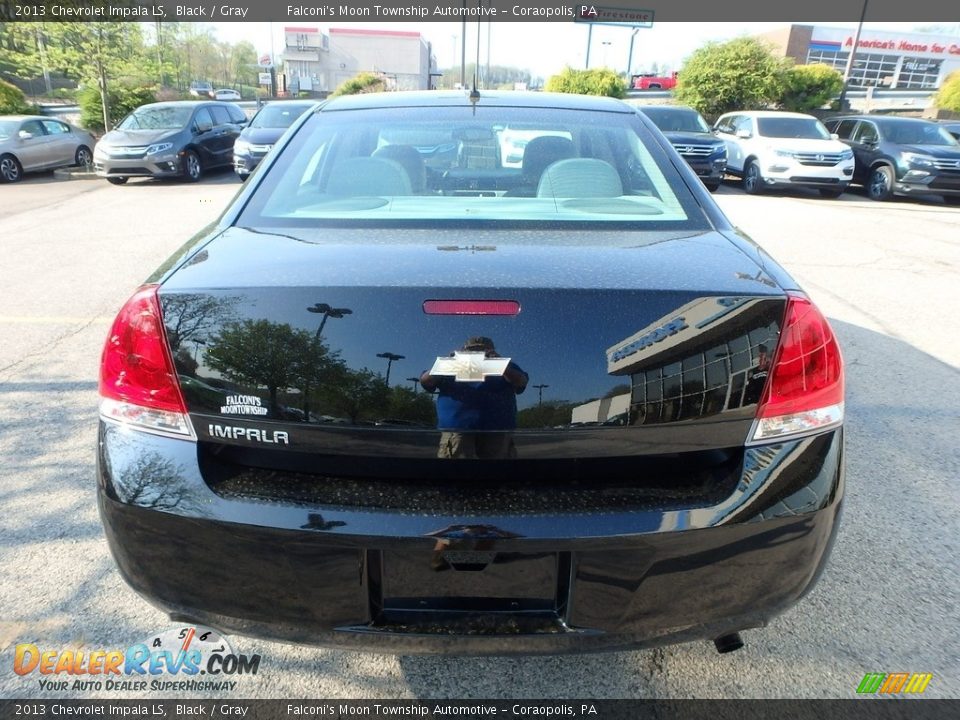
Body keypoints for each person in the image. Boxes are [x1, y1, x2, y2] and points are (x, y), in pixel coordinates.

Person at [420, 336, 528, 459]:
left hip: (497, 429)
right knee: (455, 473)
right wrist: (447, 363)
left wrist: (501, 365)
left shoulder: (506, 365)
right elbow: (426, 381)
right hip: (457, 428)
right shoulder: (449, 365)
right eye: (473, 350)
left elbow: (521, 382)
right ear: (463, 351)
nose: (478, 353)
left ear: (492, 350)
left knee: (498, 474)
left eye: (484, 350)